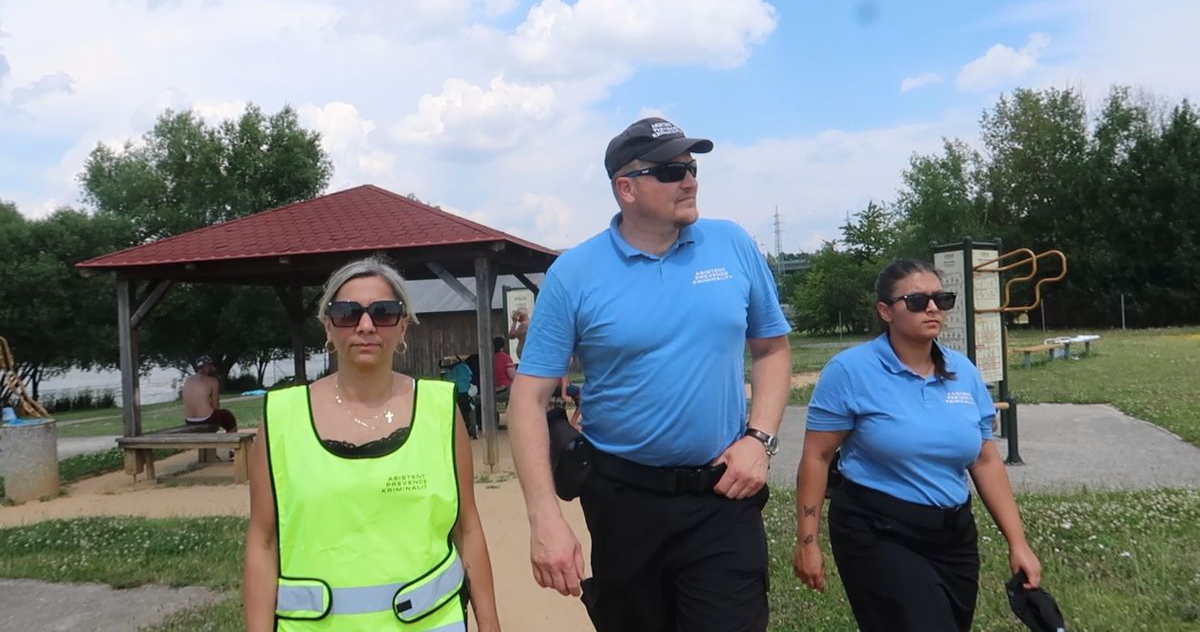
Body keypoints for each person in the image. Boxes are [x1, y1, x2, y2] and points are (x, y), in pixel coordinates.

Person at [508, 116, 793, 631]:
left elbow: (772, 349)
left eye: (691, 166)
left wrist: (760, 439)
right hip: (622, 503)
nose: (689, 180)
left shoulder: (731, 245)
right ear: (626, 188)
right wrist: (544, 518)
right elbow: (527, 399)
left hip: (722, 496)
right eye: (669, 170)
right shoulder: (574, 273)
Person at [244, 256, 501, 631]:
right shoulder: (281, 417)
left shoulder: (440, 410)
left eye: (383, 312)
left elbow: (468, 528)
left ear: (403, 328)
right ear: (327, 326)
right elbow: (262, 543)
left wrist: (490, 625)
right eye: (348, 313)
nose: (366, 326)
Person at [793, 258, 1043, 632]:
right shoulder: (850, 371)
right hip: (878, 532)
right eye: (916, 300)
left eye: (941, 299)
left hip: (953, 536)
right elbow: (818, 456)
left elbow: (985, 460)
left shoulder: (963, 372)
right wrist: (807, 542)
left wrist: (1017, 542)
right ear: (885, 311)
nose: (932, 308)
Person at [181, 355, 237, 432]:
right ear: (207, 367)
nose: (214, 368)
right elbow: (215, 405)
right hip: (206, 418)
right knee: (228, 417)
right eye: (212, 366)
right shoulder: (212, 381)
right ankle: (230, 442)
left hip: (190, 420)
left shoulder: (188, 381)